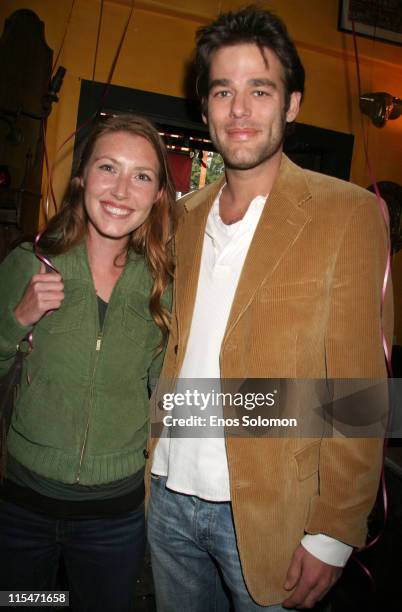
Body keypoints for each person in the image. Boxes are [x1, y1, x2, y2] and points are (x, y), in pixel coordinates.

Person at [147, 7, 393, 612]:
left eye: (260, 90)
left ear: (292, 104)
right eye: (223, 91)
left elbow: (359, 383)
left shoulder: (347, 213)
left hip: (274, 516)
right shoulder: (182, 216)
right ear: (204, 107)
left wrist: (335, 528)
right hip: (165, 495)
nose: (239, 110)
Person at [0, 114, 176, 611]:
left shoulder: (164, 287)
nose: (121, 190)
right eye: (107, 168)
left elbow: (170, 402)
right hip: (21, 512)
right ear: (82, 178)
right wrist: (17, 319)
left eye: (141, 175)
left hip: (114, 521)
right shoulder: (29, 263)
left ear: (159, 194)